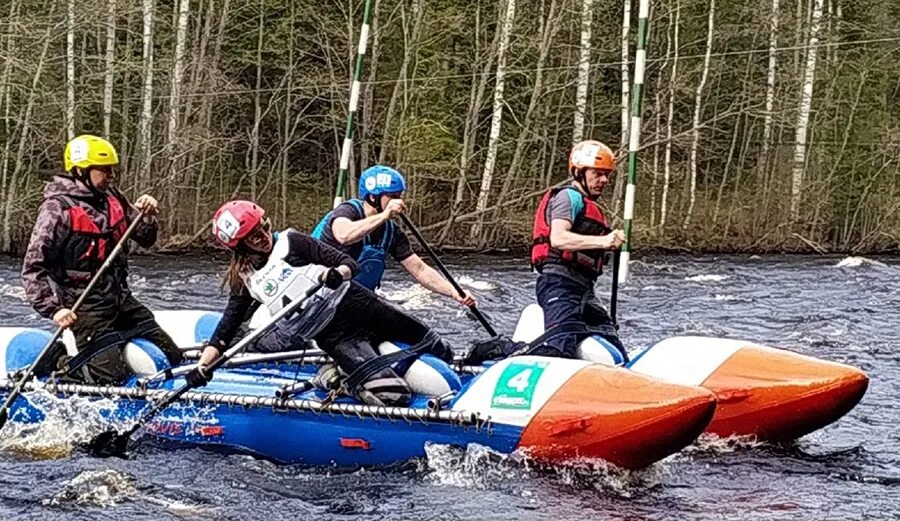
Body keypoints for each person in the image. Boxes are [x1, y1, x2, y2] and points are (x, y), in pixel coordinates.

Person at [188, 200, 453, 406]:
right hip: (335, 336)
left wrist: (336, 273)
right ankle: (340, 379)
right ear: (240, 247)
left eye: (265, 227)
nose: (265, 236)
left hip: (363, 308)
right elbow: (227, 328)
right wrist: (203, 366)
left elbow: (349, 263)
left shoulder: (294, 242)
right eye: (255, 237)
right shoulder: (244, 279)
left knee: (440, 349)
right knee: (394, 396)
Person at [21, 134, 183, 384]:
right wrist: (54, 308)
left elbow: (146, 238)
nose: (110, 176)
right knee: (111, 376)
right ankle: (59, 364)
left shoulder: (113, 198)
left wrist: (146, 214)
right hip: (84, 307)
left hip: (120, 300)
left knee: (172, 355)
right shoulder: (57, 209)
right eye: (104, 171)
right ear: (81, 171)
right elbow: (34, 268)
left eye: (111, 171)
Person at [311, 165, 476, 305]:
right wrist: (384, 215)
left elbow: (420, 270)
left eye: (399, 196)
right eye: (392, 196)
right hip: (319, 292)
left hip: (355, 300)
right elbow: (344, 235)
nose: (398, 201)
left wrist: (454, 292)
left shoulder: (391, 232)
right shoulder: (348, 210)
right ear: (373, 197)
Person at [527, 139, 626, 359]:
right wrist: (604, 242)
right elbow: (559, 239)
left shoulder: (588, 204)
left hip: (583, 289)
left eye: (607, 174)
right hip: (558, 284)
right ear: (579, 172)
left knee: (613, 347)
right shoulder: (568, 198)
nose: (604, 180)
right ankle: (508, 352)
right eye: (597, 173)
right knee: (560, 349)